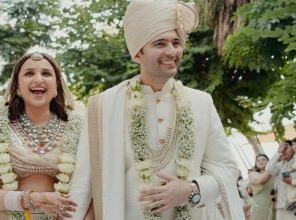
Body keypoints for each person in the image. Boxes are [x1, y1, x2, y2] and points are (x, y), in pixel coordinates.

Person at [68, 0, 245, 219]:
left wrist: (191, 190)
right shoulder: (102, 107)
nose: (172, 51)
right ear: (137, 54)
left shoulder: (201, 102)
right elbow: (83, 182)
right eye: (160, 43)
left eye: (176, 42)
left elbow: (227, 168)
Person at [0, 52, 85, 220]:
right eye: (29, 73)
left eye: (46, 73)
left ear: (57, 84)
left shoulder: (78, 127)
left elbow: (92, 185)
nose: (38, 79)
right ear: (17, 85)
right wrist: (34, 199)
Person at [266, 140, 296, 219]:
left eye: (285, 147)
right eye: (281, 148)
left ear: (293, 147)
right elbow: (268, 169)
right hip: (281, 207)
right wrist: (278, 152)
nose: (283, 150)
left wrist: (292, 181)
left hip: (293, 206)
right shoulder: (280, 166)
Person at [247, 154, 275, 220]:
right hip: (258, 208)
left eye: (263, 159)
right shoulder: (253, 174)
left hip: (272, 207)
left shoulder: (274, 174)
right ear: (256, 164)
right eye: (258, 160)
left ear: (268, 162)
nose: (261, 161)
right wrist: (271, 167)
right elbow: (261, 180)